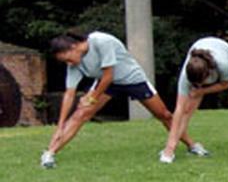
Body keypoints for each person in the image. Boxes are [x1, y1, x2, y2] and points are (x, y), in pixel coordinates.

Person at [41, 30, 205, 169]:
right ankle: (50, 154)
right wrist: (60, 125)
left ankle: (192, 145)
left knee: (164, 115)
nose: (68, 64)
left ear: (74, 47)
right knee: (80, 115)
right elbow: (69, 94)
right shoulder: (74, 65)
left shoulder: (100, 41)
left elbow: (108, 75)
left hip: (131, 79)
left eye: (68, 59)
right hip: (108, 84)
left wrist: (91, 99)